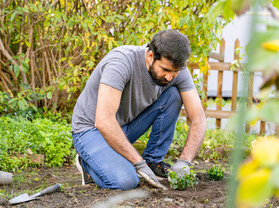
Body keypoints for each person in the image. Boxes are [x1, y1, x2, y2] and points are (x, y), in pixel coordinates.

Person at [71, 29, 207, 190]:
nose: (170, 77)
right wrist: (138, 163)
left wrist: (184, 162)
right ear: (150, 56)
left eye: (175, 72)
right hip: (91, 129)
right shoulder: (121, 62)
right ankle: (87, 164)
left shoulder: (177, 71)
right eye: (166, 70)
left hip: (122, 127)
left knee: (174, 94)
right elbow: (104, 121)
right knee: (126, 181)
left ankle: (152, 161)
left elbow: (199, 119)